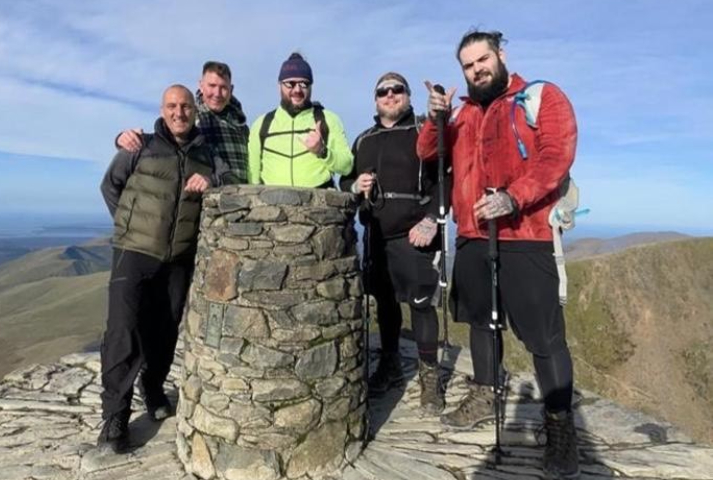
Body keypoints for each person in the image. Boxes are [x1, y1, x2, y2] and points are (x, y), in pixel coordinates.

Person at [417, 30, 580, 478]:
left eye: (482, 60)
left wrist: (514, 196)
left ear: (500, 55)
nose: (476, 70)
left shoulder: (540, 97)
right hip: (472, 234)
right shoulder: (464, 112)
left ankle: (560, 427)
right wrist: (436, 117)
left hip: (526, 235)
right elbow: (428, 152)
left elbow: (556, 156)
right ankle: (486, 391)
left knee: (544, 338)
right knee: (481, 323)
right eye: (468, 66)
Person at [97, 84, 228, 454]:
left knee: (165, 328)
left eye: (185, 106)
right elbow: (110, 186)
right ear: (162, 109)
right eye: (172, 106)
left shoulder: (207, 153)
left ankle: (152, 386)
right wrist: (129, 227)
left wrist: (213, 181)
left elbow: (230, 183)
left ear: (194, 110)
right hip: (133, 253)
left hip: (178, 259)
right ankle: (115, 417)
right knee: (123, 330)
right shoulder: (140, 145)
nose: (179, 112)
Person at [340, 72, 446, 413]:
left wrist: (431, 220)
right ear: (375, 100)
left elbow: (445, 178)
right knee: (384, 303)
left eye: (397, 90)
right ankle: (390, 366)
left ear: (408, 95)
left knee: (421, 304)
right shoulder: (363, 140)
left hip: (416, 235)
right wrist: (357, 186)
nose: (390, 96)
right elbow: (345, 183)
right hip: (376, 237)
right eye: (383, 91)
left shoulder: (421, 131)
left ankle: (430, 378)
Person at [116, 61, 249, 183]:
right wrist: (122, 138)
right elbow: (160, 141)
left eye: (223, 87)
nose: (217, 93)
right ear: (201, 86)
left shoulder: (241, 125)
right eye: (212, 86)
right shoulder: (188, 117)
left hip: (243, 201)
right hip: (203, 201)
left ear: (231, 90)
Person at [247, 52, 353, 188]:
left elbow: (347, 166)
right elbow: (252, 177)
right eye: (290, 84)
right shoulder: (261, 124)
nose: (297, 90)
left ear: (311, 86)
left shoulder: (329, 119)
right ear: (279, 85)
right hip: (272, 206)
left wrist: (322, 151)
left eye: (304, 84)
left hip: (317, 206)